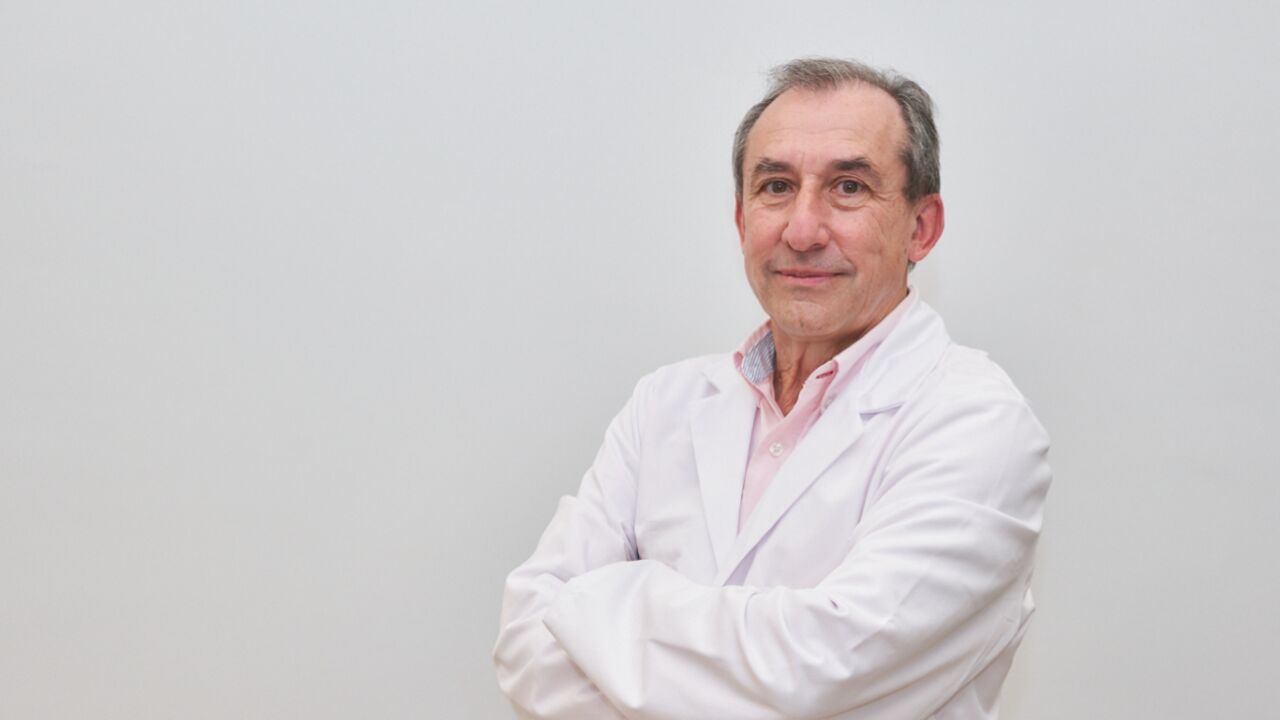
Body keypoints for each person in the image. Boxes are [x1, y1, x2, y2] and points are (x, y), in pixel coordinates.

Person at [493, 57, 1051, 720]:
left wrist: (607, 604)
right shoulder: (662, 405)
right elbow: (526, 642)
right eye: (777, 186)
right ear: (741, 219)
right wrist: (752, 659)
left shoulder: (977, 422)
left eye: (848, 187)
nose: (802, 230)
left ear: (921, 227)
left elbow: (822, 676)